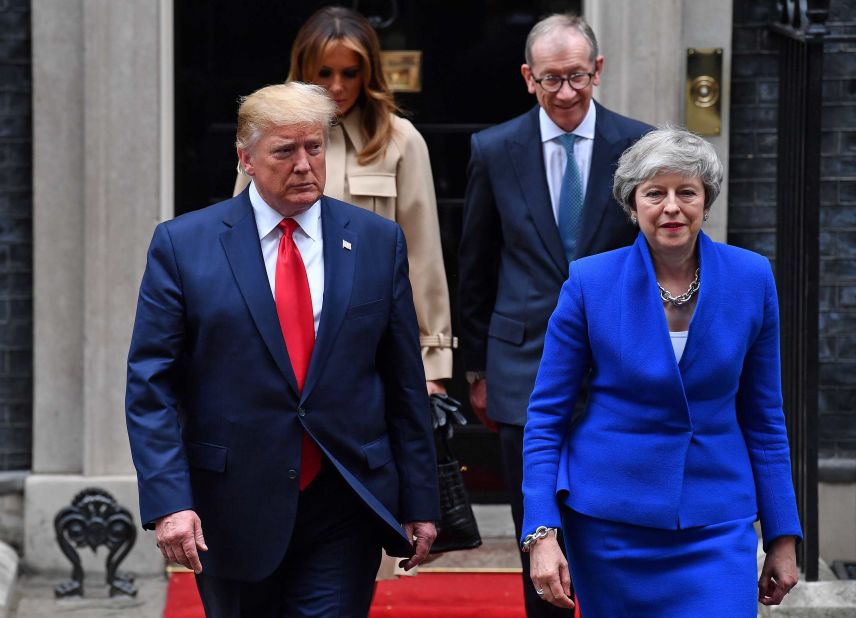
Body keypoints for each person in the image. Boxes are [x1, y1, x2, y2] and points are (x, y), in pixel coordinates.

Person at [125, 82, 439, 617]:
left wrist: (419, 500)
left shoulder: (374, 241)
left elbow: (402, 380)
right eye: (284, 151)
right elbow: (150, 385)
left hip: (344, 495)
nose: (304, 165)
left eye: (314, 148)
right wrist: (169, 501)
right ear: (246, 158)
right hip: (232, 503)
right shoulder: (184, 245)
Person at [521, 127, 802, 616]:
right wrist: (541, 533)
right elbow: (546, 420)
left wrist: (782, 534)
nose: (671, 206)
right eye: (655, 193)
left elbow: (765, 419)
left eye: (686, 191)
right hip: (610, 525)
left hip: (716, 523)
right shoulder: (590, 282)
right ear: (634, 205)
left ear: (706, 201)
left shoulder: (752, 278)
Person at [458, 13, 651, 616]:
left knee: (613, 521)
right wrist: (477, 370)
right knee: (536, 528)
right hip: (522, 364)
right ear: (527, 78)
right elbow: (476, 265)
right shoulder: (494, 149)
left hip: (618, 364)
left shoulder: (639, 145)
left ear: (598, 71)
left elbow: (660, 257)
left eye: (576, 77)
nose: (565, 93)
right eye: (550, 80)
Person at [234, 6, 455, 401]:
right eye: (324, 73)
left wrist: (431, 362)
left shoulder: (400, 140)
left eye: (350, 73)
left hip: (368, 343)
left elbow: (422, 257)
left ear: (368, 73)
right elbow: (238, 239)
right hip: (278, 338)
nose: (336, 86)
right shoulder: (264, 139)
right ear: (304, 69)